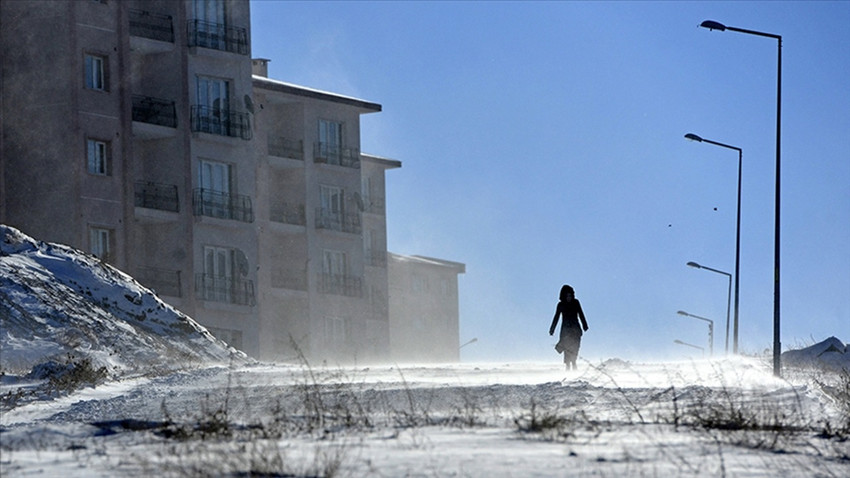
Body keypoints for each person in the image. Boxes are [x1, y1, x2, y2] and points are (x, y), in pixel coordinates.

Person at [549, 284, 589, 371]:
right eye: (567, 295)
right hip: (565, 331)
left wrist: (585, 325)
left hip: (576, 330)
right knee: (567, 349)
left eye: (570, 295)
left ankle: (574, 364)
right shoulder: (560, 305)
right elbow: (556, 317)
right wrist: (552, 329)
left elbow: (581, 314)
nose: (569, 297)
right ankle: (568, 367)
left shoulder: (576, 303)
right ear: (563, 296)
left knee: (575, 348)